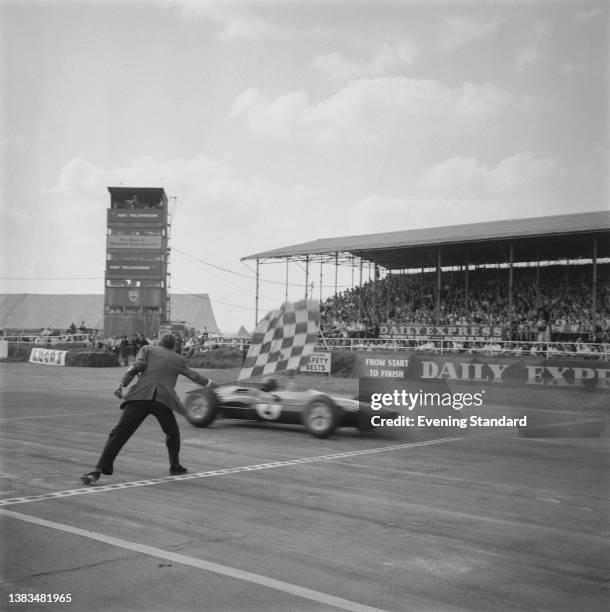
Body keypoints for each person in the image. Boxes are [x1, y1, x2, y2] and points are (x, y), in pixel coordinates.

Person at [80, 333, 214, 485]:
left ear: (159, 342)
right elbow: (194, 376)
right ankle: (175, 466)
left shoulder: (148, 350)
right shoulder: (178, 359)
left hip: (140, 397)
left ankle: (98, 471)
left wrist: (122, 384)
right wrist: (209, 383)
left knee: (119, 433)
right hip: (162, 401)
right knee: (173, 435)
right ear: (174, 345)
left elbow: (136, 367)